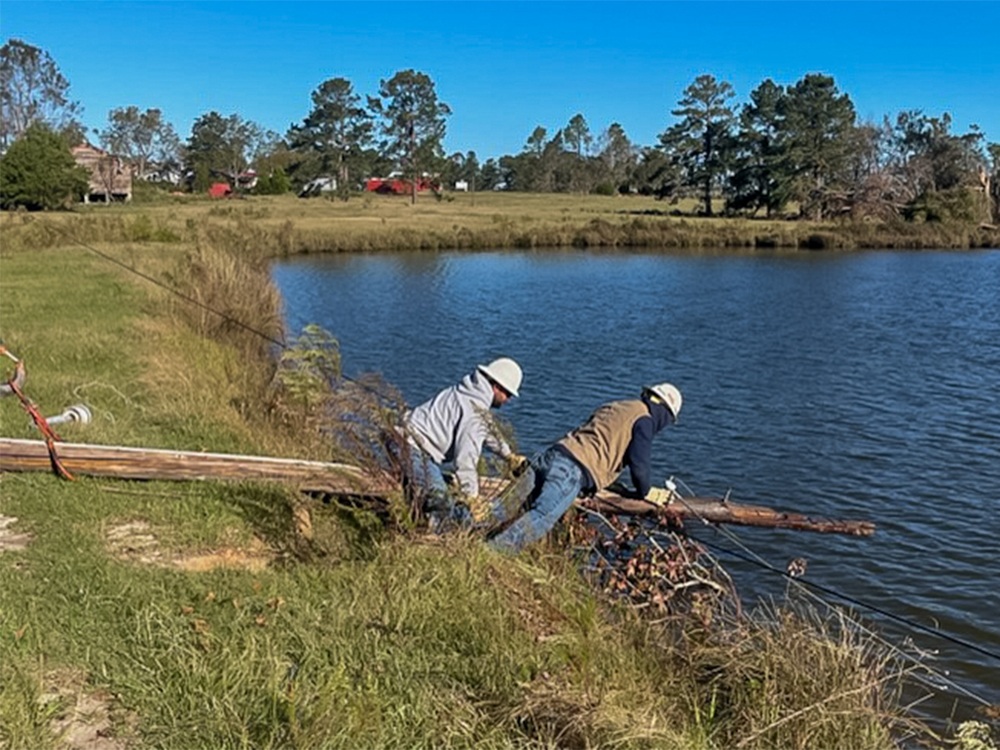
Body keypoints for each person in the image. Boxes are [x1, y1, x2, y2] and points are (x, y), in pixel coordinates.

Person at [487, 382, 682, 553]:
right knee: (541, 517)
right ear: (664, 414)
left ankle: (467, 537)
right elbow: (639, 464)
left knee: (504, 509)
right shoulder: (645, 420)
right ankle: (490, 554)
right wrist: (644, 492)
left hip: (550, 455)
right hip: (571, 471)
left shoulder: (617, 406)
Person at [403, 357, 525, 528]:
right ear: (497, 386)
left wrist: (508, 455)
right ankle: (436, 542)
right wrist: (473, 499)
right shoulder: (474, 412)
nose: (508, 400)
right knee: (442, 502)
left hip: (406, 440)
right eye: (508, 394)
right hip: (412, 448)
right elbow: (465, 461)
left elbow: (488, 430)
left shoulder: (469, 392)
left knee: (447, 489)